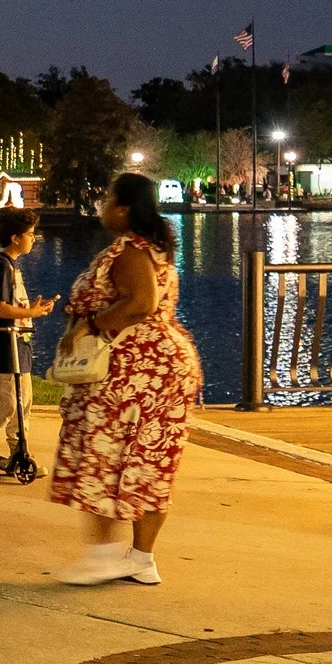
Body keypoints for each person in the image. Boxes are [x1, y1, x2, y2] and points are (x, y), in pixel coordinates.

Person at [50, 172, 202, 586]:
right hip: (160, 368)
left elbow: (142, 302)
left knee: (104, 454)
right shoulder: (152, 249)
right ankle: (140, 558)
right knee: (150, 460)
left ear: (123, 208)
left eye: (106, 198)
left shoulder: (131, 252)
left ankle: (101, 558)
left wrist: (91, 325)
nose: (101, 206)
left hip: (133, 371)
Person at [0, 208, 56, 477]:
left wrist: (32, 308)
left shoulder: (12, 266)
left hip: (20, 343)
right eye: (30, 234)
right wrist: (32, 313)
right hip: (4, 345)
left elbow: (12, 306)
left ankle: (20, 452)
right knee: (6, 402)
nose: (34, 239)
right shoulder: (1, 266)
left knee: (24, 401)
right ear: (15, 238)